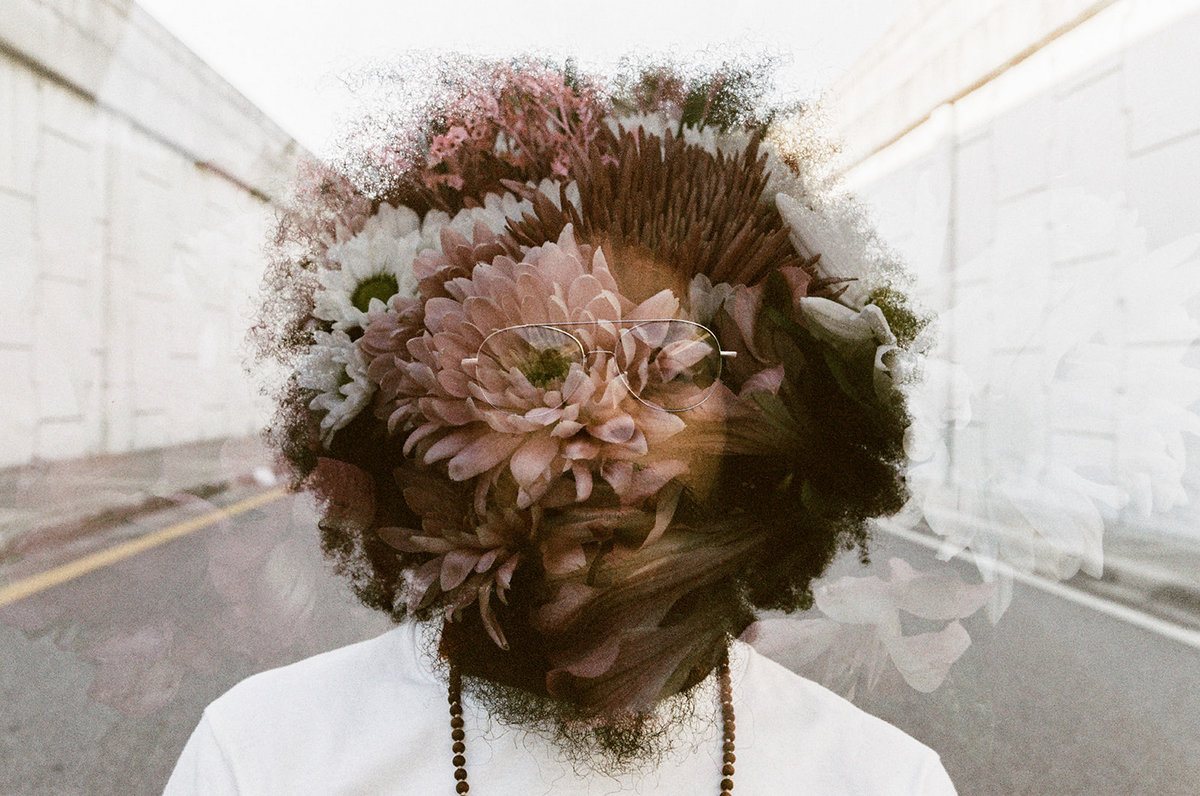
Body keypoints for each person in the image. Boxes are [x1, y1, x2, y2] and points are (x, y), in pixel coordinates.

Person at [167, 57, 957, 794]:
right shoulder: (264, 758)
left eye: (671, 365)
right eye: (545, 359)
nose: (610, 431)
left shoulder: (883, 781)